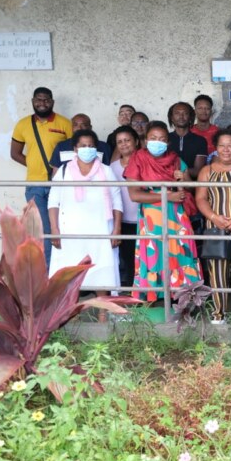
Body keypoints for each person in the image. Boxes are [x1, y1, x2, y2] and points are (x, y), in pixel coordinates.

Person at [49, 129, 123, 321]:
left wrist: (117, 229)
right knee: (70, 272)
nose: (87, 149)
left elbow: (117, 201)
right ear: (75, 149)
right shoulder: (64, 171)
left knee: (102, 270)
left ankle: (103, 312)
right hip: (70, 230)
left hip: (100, 228)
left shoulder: (106, 171)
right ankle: (69, 313)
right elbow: (53, 201)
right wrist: (55, 230)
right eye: (83, 146)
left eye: (91, 146)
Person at [124, 120, 202, 302]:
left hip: (176, 215)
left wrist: (183, 180)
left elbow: (190, 187)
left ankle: (182, 296)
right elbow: (135, 195)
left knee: (180, 253)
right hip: (152, 218)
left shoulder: (176, 160)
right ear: (145, 140)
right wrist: (168, 196)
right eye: (153, 138)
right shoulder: (137, 159)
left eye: (162, 139)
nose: (157, 142)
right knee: (155, 254)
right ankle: (155, 296)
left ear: (168, 142)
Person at [10, 86, 73, 266]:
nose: (42, 103)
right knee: (44, 230)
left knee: (62, 228)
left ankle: (61, 268)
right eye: (38, 99)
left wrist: (58, 173)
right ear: (33, 101)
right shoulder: (23, 124)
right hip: (35, 186)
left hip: (60, 186)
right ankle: (47, 273)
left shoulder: (64, 123)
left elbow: (73, 152)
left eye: (46, 99)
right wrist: (34, 165)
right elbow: (15, 153)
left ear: (52, 102)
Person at [196, 129, 231, 324]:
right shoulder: (206, 171)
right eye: (222, 146)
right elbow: (201, 198)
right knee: (217, 270)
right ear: (216, 148)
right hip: (215, 226)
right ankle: (219, 313)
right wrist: (214, 217)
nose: (226, 150)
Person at [110, 125, 141, 288]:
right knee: (129, 261)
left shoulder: (146, 163)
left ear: (136, 141)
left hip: (145, 221)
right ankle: (132, 293)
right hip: (124, 222)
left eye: (127, 140)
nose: (124, 144)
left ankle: (150, 294)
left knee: (148, 260)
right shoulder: (112, 168)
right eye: (120, 142)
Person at [167, 102, 208, 180]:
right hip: (167, 184)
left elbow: (197, 171)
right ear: (171, 118)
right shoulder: (165, 139)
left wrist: (173, 171)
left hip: (192, 184)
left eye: (185, 113)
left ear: (190, 117)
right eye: (177, 113)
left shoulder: (200, 141)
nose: (181, 116)